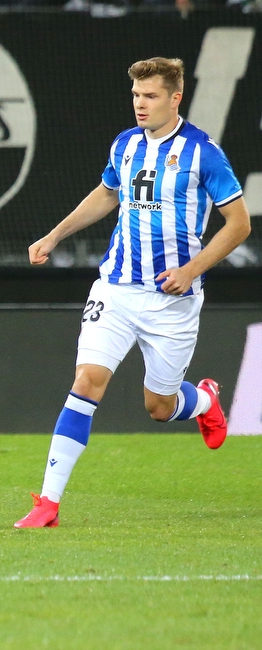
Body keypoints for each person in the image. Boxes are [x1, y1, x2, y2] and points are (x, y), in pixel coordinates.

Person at [15, 57, 251, 529]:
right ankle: (48, 503)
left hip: (172, 300)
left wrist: (192, 269)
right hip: (117, 289)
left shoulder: (204, 153)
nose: (140, 105)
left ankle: (203, 401)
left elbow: (239, 224)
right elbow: (107, 195)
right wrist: (54, 235)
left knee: (159, 408)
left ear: (175, 97)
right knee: (86, 382)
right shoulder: (125, 144)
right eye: (136, 97)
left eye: (150, 96)